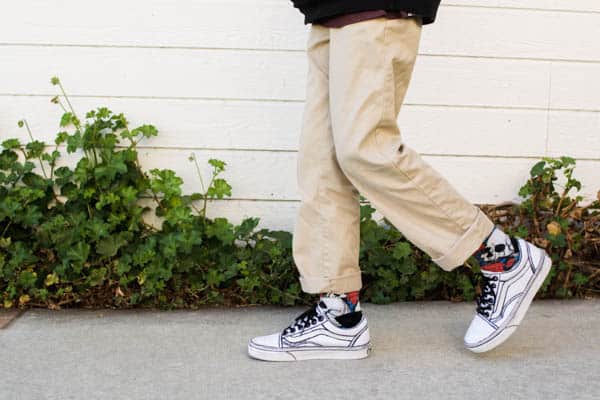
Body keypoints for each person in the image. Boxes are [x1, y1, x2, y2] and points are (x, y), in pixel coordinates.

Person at [248, 0, 552, 361]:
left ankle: (502, 257)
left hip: (375, 9)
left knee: (366, 148)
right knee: (321, 166)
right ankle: (337, 315)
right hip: (326, 12)